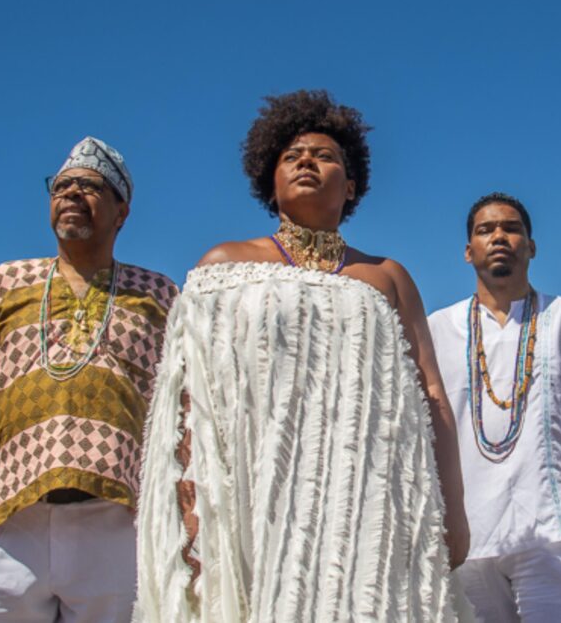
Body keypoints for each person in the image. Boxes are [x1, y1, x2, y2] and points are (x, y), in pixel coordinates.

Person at [134, 90, 472, 622]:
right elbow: (187, 396)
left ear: (352, 184)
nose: (307, 161)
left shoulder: (385, 275)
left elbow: (432, 394)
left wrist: (453, 510)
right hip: (253, 496)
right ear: (270, 181)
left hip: (371, 499)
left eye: (325, 155)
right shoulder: (223, 263)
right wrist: (187, 507)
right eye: (291, 155)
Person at [0, 137, 178, 622]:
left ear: (121, 212)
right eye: (61, 185)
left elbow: (181, 409)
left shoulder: (159, 295)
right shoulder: (5, 282)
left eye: (88, 186)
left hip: (115, 521)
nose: (70, 193)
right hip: (8, 520)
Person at [428, 193, 561, 622]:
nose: (499, 236)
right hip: (466, 539)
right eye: (485, 230)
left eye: (512, 228)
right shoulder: (436, 329)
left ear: (531, 247)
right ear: (468, 251)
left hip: (552, 533)